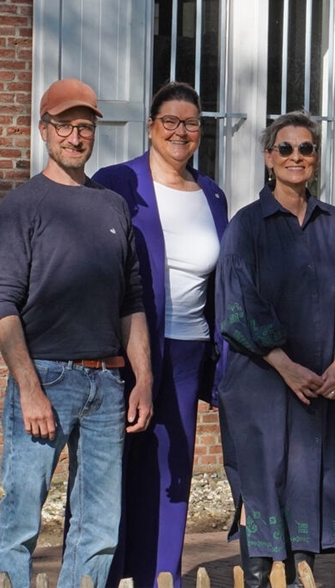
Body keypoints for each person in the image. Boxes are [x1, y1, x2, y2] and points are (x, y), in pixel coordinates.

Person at [0, 78, 153, 588]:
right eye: (64, 126)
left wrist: (142, 380)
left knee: (99, 525)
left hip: (107, 384)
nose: (75, 137)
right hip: (47, 379)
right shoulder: (22, 206)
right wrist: (30, 389)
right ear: (44, 131)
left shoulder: (112, 207)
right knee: (21, 518)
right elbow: (2, 306)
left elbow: (131, 303)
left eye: (84, 127)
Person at [216, 111, 335, 588]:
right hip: (262, 382)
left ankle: (305, 576)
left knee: (313, 482)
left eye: (306, 148)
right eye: (285, 148)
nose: (296, 157)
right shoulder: (246, 226)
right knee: (265, 484)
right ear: (269, 158)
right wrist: (283, 364)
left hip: (324, 382)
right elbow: (236, 302)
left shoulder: (334, 223)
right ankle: (260, 578)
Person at [92, 82, 229, 588]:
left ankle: (159, 576)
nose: (180, 131)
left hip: (190, 350)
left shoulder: (212, 194)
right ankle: (102, 574)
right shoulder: (117, 182)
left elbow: (221, 281)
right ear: (150, 125)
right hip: (127, 347)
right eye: (169, 120)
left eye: (190, 123)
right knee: (113, 468)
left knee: (173, 474)